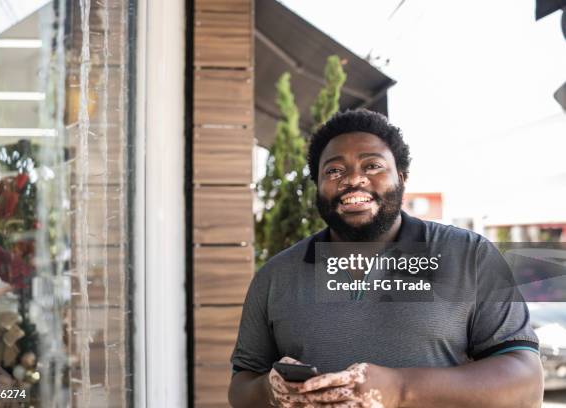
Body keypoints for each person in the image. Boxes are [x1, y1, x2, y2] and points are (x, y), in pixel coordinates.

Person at [228, 109, 543, 408]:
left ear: (402, 177)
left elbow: (526, 385)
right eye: (334, 170)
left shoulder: (469, 256)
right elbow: (241, 386)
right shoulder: (276, 276)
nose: (354, 179)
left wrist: (399, 389)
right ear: (318, 186)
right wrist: (270, 391)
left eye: (372, 165)